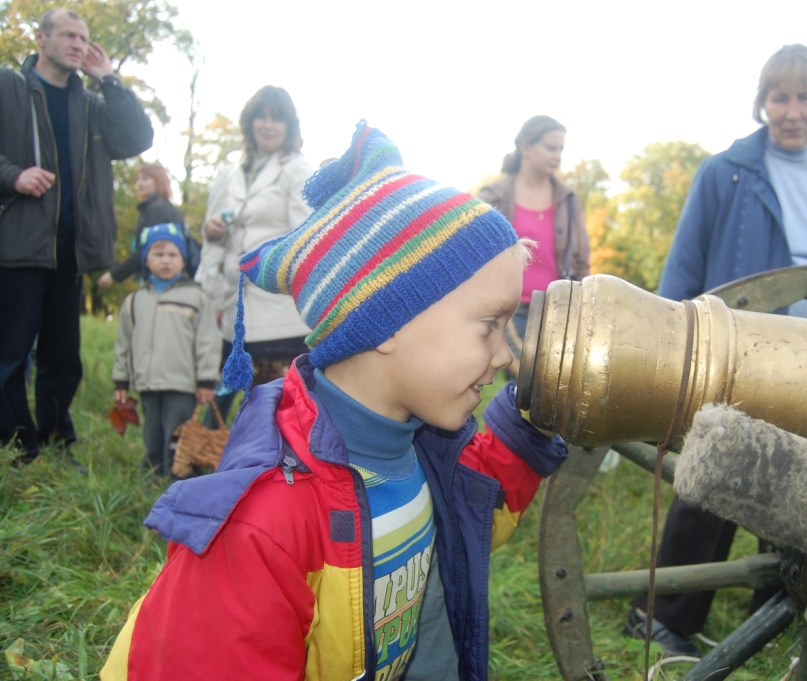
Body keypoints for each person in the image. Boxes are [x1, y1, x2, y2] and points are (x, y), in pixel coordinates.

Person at [101, 122, 568, 681]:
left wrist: (531, 418)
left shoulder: (420, 445)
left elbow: (475, 506)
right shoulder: (264, 525)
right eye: (490, 325)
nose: (504, 356)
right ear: (389, 323)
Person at [641, 44, 807, 658]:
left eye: (804, 97)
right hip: (741, 346)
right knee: (714, 475)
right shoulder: (727, 172)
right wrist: (669, 343)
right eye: (780, 97)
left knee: (802, 484)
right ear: (762, 103)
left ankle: (772, 615)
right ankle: (669, 616)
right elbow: (687, 261)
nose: (792, 111)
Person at [0, 8, 153, 466]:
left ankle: (56, 441)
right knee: (10, 354)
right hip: (19, 247)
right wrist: (13, 176)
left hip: (72, 251)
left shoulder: (91, 104)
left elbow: (137, 138)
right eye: (67, 34)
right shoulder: (9, 88)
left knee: (63, 358)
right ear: (41, 38)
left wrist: (108, 77)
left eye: (84, 39)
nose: (77, 44)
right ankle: (17, 444)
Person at [196, 85, 314, 419]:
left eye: (277, 119)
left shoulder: (296, 169)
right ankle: (203, 457)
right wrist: (212, 230)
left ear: (289, 127)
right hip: (237, 309)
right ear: (249, 123)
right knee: (224, 392)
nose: (267, 125)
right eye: (260, 117)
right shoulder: (230, 174)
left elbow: (303, 239)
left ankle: (272, 465)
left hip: (280, 313)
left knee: (277, 405)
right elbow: (213, 242)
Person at [478, 115, 590, 377]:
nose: (558, 156)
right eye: (551, 148)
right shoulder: (493, 197)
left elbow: (581, 260)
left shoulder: (568, 200)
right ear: (526, 148)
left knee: (558, 385)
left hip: (557, 309)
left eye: (561, 149)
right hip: (510, 310)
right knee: (529, 380)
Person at [112, 223, 219, 476]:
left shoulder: (196, 298)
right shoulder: (135, 301)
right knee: (152, 433)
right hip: (148, 384)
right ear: (146, 260)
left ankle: (181, 479)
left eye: (173, 255)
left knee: (178, 435)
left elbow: (208, 341)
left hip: (182, 384)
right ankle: (153, 474)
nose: (166, 261)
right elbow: (124, 344)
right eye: (158, 255)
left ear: (183, 260)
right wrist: (121, 381)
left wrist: (206, 379)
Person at [97, 162, 188, 288]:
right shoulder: (164, 209)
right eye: (138, 179)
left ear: (159, 181)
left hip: (160, 282)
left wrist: (114, 275)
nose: (140, 183)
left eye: (145, 179)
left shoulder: (157, 211)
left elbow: (148, 250)